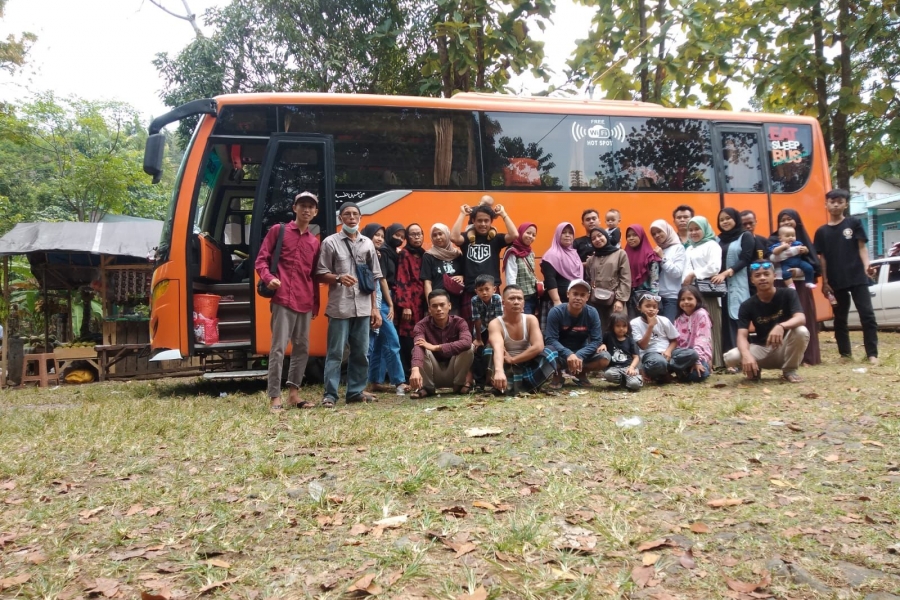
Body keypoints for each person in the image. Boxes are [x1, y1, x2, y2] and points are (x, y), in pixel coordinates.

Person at [255, 191, 321, 411]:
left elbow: (313, 276)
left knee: (302, 349)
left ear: (315, 212)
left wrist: (315, 303)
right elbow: (261, 260)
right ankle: (275, 396)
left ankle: (294, 394)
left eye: (311, 206)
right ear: (294, 208)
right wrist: (269, 278)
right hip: (283, 298)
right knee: (278, 349)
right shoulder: (279, 231)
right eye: (302, 205)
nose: (306, 209)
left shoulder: (314, 242)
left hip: (304, 300)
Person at [316, 202, 383, 407]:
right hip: (340, 307)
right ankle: (330, 394)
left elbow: (374, 278)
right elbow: (320, 273)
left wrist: (375, 308)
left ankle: (355, 391)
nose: (352, 217)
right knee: (336, 352)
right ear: (341, 219)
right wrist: (338, 278)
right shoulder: (330, 242)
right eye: (347, 214)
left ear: (360, 217)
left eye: (355, 214)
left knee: (361, 352)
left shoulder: (368, 244)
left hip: (363, 307)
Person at [814, 189, 879, 364]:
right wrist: (825, 282)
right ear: (826, 204)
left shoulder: (854, 223)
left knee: (867, 315)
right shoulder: (821, 232)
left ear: (845, 204)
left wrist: (867, 266)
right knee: (840, 318)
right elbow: (823, 259)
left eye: (839, 201)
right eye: (832, 201)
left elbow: (861, 248)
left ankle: (872, 354)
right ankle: (845, 355)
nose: (835, 204)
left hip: (857, 276)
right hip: (835, 281)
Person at [724, 262, 810, 383]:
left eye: (766, 274)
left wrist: (781, 326)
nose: (762, 278)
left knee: (801, 331)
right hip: (762, 349)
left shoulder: (788, 294)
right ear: (752, 280)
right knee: (730, 357)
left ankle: (789, 370)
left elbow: (801, 318)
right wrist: (746, 355)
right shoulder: (746, 305)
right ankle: (754, 369)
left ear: (774, 276)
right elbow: (742, 335)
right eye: (757, 275)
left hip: (785, 349)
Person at [450, 203, 516, 327]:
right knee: (471, 327)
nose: (483, 224)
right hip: (471, 290)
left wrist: (503, 213)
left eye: (487, 220)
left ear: (491, 221)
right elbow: (453, 237)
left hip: (492, 291)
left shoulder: (495, 239)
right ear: (473, 221)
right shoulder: (466, 238)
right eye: (479, 220)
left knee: (496, 326)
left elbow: (514, 235)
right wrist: (462, 214)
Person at [485, 285, 558, 396]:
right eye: (512, 298)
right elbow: (498, 347)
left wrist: (513, 359)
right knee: (489, 349)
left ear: (524, 303)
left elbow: (538, 346)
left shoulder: (530, 319)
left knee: (550, 351)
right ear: (503, 303)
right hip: (505, 366)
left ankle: (517, 386)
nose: (516, 302)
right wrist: (499, 371)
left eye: (519, 299)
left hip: (526, 365)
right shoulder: (495, 323)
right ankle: (503, 383)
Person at [361, 224, 407, 395]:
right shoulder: (373, 254)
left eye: (381, 235)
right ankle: (399, 381)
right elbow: (382, 280)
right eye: (376, 235)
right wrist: (391, 303)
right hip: (377, 304)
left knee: (378, 344)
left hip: (379, 301)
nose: (379, 238)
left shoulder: (379, 253)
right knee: (391, 341)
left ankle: (375, 380)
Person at [771, 208, 821, 365]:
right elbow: (771, 259)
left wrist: (798, 270)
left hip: (800, 285)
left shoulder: (803, 241)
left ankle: (807, 357)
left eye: (789, 219)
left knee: (803, 317)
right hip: (781, 283)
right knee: (782, 318)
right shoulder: (773, 240)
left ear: (796, 221)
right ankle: (783, 356)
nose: (786, 222)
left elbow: (814, 265)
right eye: (783, 220)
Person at [544, 279, 611, 388]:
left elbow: (597, 340)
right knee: (545, 354)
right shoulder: (556, 312)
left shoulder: (592, 313)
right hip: (560, 353)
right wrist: (568, 354)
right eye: (575, 294)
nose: (578, 298)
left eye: (582, 295)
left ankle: (580, 372)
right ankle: (558, 374)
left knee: (605, 358)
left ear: (587, 298)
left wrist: (579, 355)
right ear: (568, 294)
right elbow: (550, 339)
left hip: (582, 353)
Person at [408, 290, 474, 398]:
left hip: (454, 371)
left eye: (442, 305)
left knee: (469, 348)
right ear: (429, 309)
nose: (439, 309)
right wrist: (415, 369)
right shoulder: (421, 325)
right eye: (434, 306)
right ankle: (427, 388)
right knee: (419, 348)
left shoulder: (459, 322)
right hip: (433, 372)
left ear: (449, 306)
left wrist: (437, 347)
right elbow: (418, 347)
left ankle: (458, 385)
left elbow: (466, 342)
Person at [711, 208, 754, 358]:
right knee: (724, 321)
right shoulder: (717, 239)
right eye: (721, 220)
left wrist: (727, 273)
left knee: (737, 319)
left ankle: (742, 356)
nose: (725, 222)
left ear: (736, 219)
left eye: (728, 218)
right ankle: (728, 358)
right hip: (720, 286)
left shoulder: (745, 236)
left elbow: (745, 259)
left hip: (738, 283)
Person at [682, 216, 724, 368]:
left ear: (705, 229)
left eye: (697, 229)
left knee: (711, 324)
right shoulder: (690, 248)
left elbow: (714, 267)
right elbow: (685, 268)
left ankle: (716, 361)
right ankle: (700, 359)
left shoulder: (712, 245)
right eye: (690, 230)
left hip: (707, 292)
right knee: (697, 327)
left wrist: (694, 274)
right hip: (693, 292)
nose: (693, 233)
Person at [631, 292, 699, 383]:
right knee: (658, 362)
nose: (651, 309)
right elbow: (642, 346)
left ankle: (664, 373)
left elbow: (674, 340)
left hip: (667, 353)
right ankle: (668, 371)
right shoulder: (634, 323)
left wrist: (668, 351)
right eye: (647, 306)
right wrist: (650, 326)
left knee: (692, 354)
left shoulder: (664, 320)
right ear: (639, 308)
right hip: (651, 355)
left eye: (654, 307)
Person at [394, 223, 426, 377]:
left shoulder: (424, 254)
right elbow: (402, 278)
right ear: (407, 237)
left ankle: (420, 371)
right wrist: (405, 305)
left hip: (422, 302)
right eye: (412, 234)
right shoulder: (405, 254)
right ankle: (407, 374)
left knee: (420, 335)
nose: (416, 237)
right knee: (407, 336)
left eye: (419, 233)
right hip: (409, 302)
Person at [584, 227, 630, 328]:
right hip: (595, 302)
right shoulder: (591, 260)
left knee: (617, 329)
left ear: (606, 236)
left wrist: (620, 300)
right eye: (593, 238)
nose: (597, 239)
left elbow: (625, 278)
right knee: (598, 330)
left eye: (600, 235)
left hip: (615, 301)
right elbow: (588, 278)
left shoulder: (620, 254)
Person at [540, 222, 584, 328]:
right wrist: (557, 301)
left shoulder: (574, 254)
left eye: (570, 233)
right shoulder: (551, 255)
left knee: (573, 337)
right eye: (563, 233)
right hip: (557, 303)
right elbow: (550, 279)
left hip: (574, 302)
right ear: (558, 235)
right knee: (554, 336)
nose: (567, 235)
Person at [421, 223, 465, 314]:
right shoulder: (428, 256)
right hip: (436, 305)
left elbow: (467, 273)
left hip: (455, 304)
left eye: (440, 234)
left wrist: (462, 277)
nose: (438, 237)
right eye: (434, 235)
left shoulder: (458, 255)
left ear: (447, 234)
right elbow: (427, 282)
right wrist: (431, 303)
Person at [649, 219, 687, 322]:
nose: (657, 235)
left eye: (659, 231)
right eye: (654, 234)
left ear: (667, 231)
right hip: (657, 297)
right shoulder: (657, 249)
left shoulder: (678, 248)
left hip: (672, 298)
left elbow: (677, 272)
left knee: (668, 330)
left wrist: (662, 258)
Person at [470, 274, 503, 391]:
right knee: (478, 351)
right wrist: (478, 339)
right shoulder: (474, 300)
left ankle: (493, 377)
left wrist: (491, 339)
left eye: (487, 289)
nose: (484, 293)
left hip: (497, 329)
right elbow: (477, 320)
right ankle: (479, 382)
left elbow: (499, 320)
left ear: (494, 289)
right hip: (481, 330)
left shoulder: (497, 299)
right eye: (480, 290)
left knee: (492, 349)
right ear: (476, 291)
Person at [673, 285, 712, 382]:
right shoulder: (678, 318)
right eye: (682, 299)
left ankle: (682, 374)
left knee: (700, 374)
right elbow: (676, 341)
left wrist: (696, 361)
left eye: (690, 299)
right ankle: (681, 371)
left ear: (697, 300)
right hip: (683, 356)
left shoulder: (701, 314)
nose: (686, 302)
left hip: (698, 355)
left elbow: (702, 340)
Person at [624, 224, 661, 317]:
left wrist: (653, 301)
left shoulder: (650, 256)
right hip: (630, 299)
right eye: (628, 236)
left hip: (647, 299)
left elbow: (654, 280)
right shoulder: (625, 255)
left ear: (641, 236)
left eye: (635, 235)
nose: (631, 238)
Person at [503, 222, 540, 315]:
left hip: (533, 297)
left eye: (534, 235)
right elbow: (510, 278)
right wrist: (515, 299)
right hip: (521, 300)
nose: (531, 236)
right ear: (520, 232)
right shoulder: (512, 252)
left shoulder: (530, 252)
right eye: (528, 233)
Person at [601, 312, 642, 391]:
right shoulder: (608, 336)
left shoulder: (630, 340)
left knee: (635, 385)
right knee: (609, 374)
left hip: (628, 367)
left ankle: (634, 379)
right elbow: (600, 343)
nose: (621, 328)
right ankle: (624, 381)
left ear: (628, 327)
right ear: (612, 326)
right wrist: (602, 344)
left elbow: (636, 357)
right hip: (614, 368)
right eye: (618, 326)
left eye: (624, 326)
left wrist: (632, 367)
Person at [769, 225, 817, 289]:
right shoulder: (778, 245)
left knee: (809, 268)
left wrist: (805, 250)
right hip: (786, 264)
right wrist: (783, 247)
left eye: (793, 235)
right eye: (787, 236)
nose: (791, 237)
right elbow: (775, 252)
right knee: (785, 273)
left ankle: (809, 282)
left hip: (798, 262)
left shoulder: (797, 243)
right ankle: (790, 285)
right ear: (780, 238)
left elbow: (805, 250)